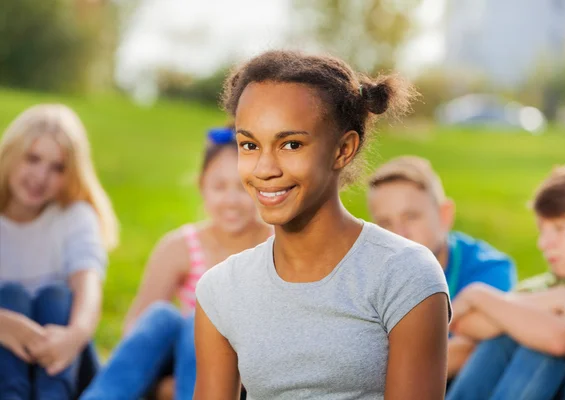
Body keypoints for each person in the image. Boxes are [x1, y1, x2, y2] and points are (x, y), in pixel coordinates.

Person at [193, 50, 451, 400]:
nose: (264, 169)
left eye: (291, 144)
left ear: (343, 149)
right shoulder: (221, 290)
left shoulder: (405, 275)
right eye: (249, 145)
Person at [81, 126, 272, 400]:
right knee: (162, 316)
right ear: (202, 187)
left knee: (205, 322)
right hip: (184, 365)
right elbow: (137, 326)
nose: (231, 200)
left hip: (246, 374)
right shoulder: (180, 246)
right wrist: (157, 384)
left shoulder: (276, 246)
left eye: (243, 187)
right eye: (219, 187)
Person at [446, 162, 565, 400]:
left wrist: (477, 295)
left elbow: (559, 340)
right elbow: (467, 324)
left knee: (540, 341)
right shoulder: (552, 286)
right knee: (508, 335)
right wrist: (553, 300)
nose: (544, 243)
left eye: (560, 228)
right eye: (542, 230)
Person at [0, 104, 119, 399]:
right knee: (11, 295)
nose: (41, 176)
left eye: (57, 168)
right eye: (33, 159)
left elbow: (88, 287)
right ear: (11, 154)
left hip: (62, 364)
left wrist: (74, 336)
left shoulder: (75, 216)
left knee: (58, 296)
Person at [367, 155, 517, 378]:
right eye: (386, 223)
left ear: (445, 215)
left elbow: (470, 350)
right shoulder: (367, 273)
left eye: (411, 217)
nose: (399, 234)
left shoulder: (488, 268)